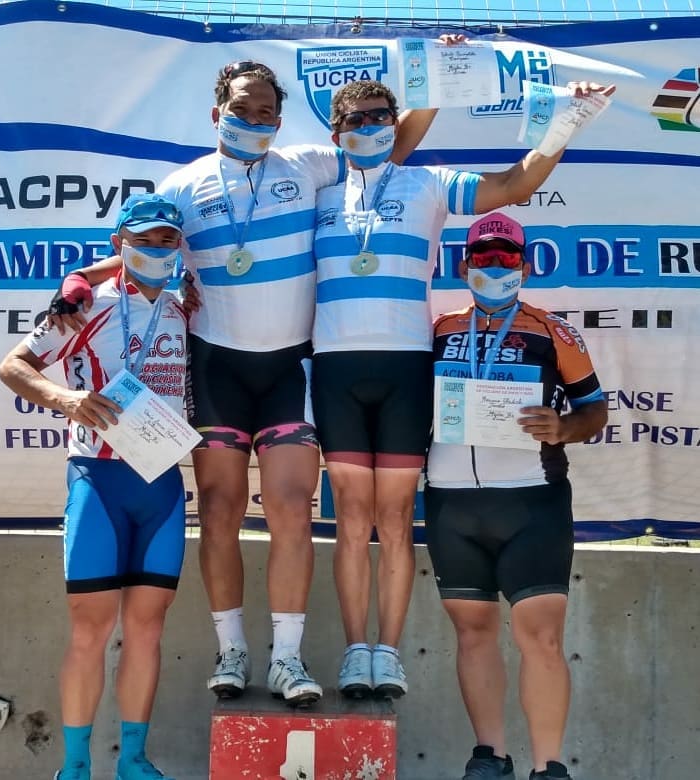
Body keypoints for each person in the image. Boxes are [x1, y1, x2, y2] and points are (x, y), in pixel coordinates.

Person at [49, 59, 442, 707]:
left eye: (267, 112)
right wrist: (78, 280)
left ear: (280, 121)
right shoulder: (182, 185)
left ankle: (287, 658)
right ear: (216, 114)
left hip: (290, 368)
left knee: (290, 509)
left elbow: (387, 147)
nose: (255, 120)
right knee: (220, 511)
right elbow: (141, 251)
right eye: (242, 108)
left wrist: (434, 86)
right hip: (218, 368)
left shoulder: (308, 165)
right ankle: (231, 650)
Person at [311, 78, 613, 702]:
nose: (369, 127)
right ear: (336, 133)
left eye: (380, 116)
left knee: (396, 518)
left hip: (405, 364)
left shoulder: (426, 183)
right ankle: (354, 650)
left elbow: (513, 187)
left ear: (395, 121)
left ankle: (389, 652)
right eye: (356, 120)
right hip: (335, 364)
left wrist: (566, 123)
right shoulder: (316, 190)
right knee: (352, 519)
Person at [0, 194, 188, 780]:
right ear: (119, 244)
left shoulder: (187, 306)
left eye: (166, 241)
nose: (156, 250)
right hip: (97, 481)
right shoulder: (85, 308)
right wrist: (66, 399)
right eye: (143, 240)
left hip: (161, 485)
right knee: (90, 630)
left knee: (147, 630)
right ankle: (75, 766)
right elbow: (13, 366)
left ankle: (133, 760)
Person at [423, 212, 608, 780]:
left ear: (525, 266)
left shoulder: (554, 331)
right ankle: (490, 756)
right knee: (472, 633)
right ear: (464, 266)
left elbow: (595, 409)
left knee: (542, 637)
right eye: (484, 257)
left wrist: (564, 427)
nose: (495, 266)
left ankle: (549, 767)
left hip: (532, 501)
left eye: (506, 257)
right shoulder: (438, 329)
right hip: (451, 501)